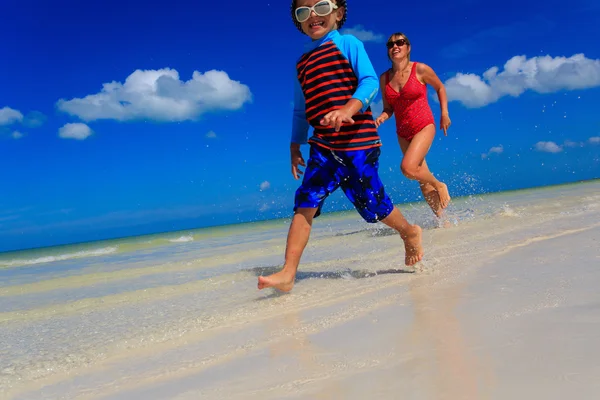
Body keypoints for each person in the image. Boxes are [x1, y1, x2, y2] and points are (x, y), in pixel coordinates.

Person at [258, 0, 423, 292]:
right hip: (322, 147)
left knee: (374, 203)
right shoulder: (301, 64)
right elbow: (300, 110)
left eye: (321, 7)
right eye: (303, 12)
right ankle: (288, 272)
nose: (313, 16)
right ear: (298, 21)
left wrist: (349, 109)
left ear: (338, 13)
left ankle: (409, 232)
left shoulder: (348, 44)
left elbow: (370, 81)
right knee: (304, 204)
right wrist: (294, 145)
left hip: (357, 141)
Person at [374, 32, 452, 223]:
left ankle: (439, 184)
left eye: (400, 42)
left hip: (424, 125)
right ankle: (444, 221)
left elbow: (440, 87)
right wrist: (383, 117)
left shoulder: (420, 69)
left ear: (408, 47)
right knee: (422, 182)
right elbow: (388, 107)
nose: (395, 46)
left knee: (408, 168)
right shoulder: (384, 78)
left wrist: (444, 113)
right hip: (403, 132)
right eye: (391, 44)